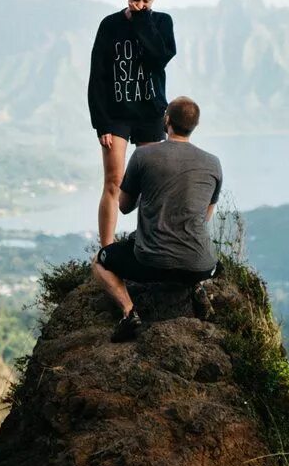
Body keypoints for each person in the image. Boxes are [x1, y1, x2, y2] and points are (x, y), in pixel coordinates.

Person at [92, 96, 221, 341]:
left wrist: (150, 192)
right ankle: (194, 286)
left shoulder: (144, 156)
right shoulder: (214, 164)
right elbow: (204, 217)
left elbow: (124, 206)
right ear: (195, 126)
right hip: (202, 266)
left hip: (152, 263)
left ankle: (129, 313)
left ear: (167, 120)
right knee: (193, 255)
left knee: (99, 261)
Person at [87, 0, 177, 247]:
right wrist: (100, 122)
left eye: (145, 0)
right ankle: (106, 248)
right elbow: (97, 75)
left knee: (150, 183)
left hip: (149, 113)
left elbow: (159, 58)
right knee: (113, 181)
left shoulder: (161, 22)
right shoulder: (110, 25)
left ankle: (148, 242)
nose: (139, 4)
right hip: (115, 116)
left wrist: (142, 22)